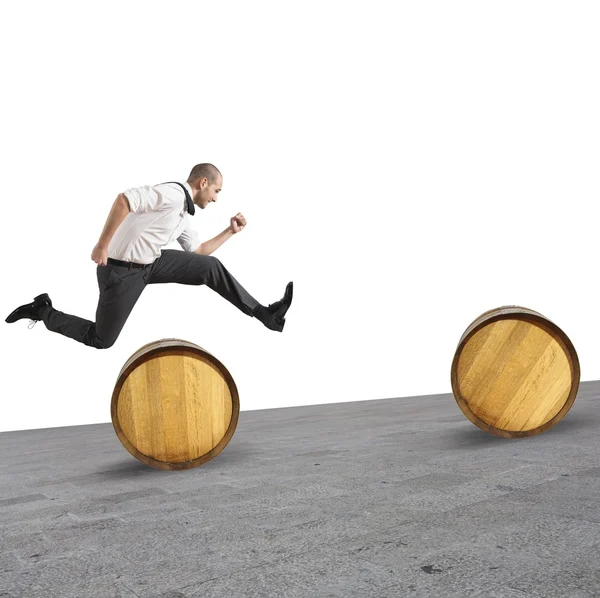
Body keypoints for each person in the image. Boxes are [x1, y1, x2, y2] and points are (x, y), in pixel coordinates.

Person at [5, 163, 293, 348]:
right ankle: (43, 310)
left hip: (151, 265)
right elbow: (124, 199)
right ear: (203, 183)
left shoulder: (182, 214)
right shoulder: (170, 194)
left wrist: (229, 232)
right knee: (101, 339)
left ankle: (265, 314)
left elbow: (198, 251)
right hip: (120, 271)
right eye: (217, 190)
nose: (217, 198)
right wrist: (102, 245)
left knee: (209, 266)